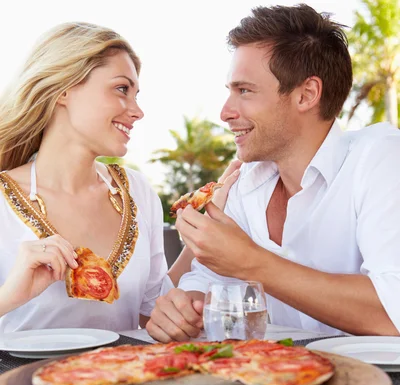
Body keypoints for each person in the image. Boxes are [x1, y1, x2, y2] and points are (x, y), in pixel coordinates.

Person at [146, 3, 400, 343]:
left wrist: (252, 263)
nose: (225, 112)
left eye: (245, 91)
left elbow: (392, 312)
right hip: (275, 381)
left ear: (306, 94)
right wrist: (185, 309)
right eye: (230, 91)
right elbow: (207, 284)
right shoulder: (242, 183)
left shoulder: (382, 157)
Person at [0, 21, 239, 334]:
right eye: (122, 89)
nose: (137, 111)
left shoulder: (137, 192)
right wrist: (8, 298)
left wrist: (203, 228)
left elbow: (155, 309)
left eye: (136, 94)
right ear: (63, 90)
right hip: (15, 382)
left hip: (123, 377)